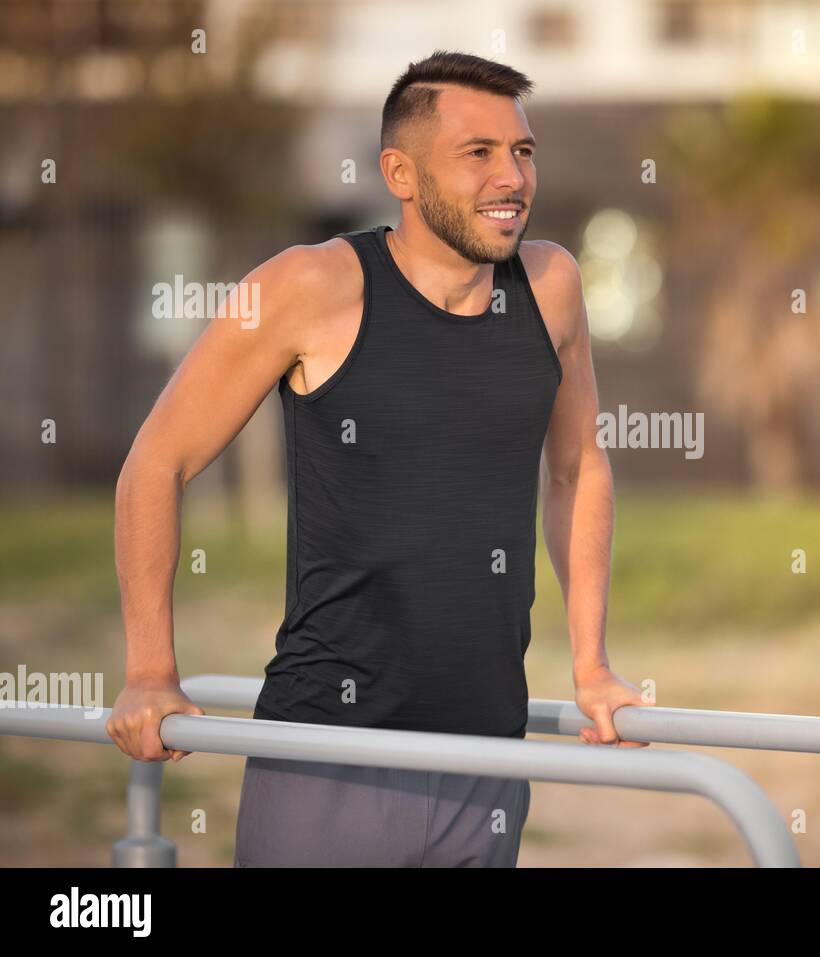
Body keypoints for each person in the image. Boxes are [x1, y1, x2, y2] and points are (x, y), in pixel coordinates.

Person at [107, 49, 651, 867]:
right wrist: (151, 671)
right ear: (400, 171)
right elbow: (156, 460)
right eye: (480, 154)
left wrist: (592, 665)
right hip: (331, 755)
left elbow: (577, 470)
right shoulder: (311, 287)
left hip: (489, 763)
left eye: (523, 152)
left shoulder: (552, 286)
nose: (513, 177)